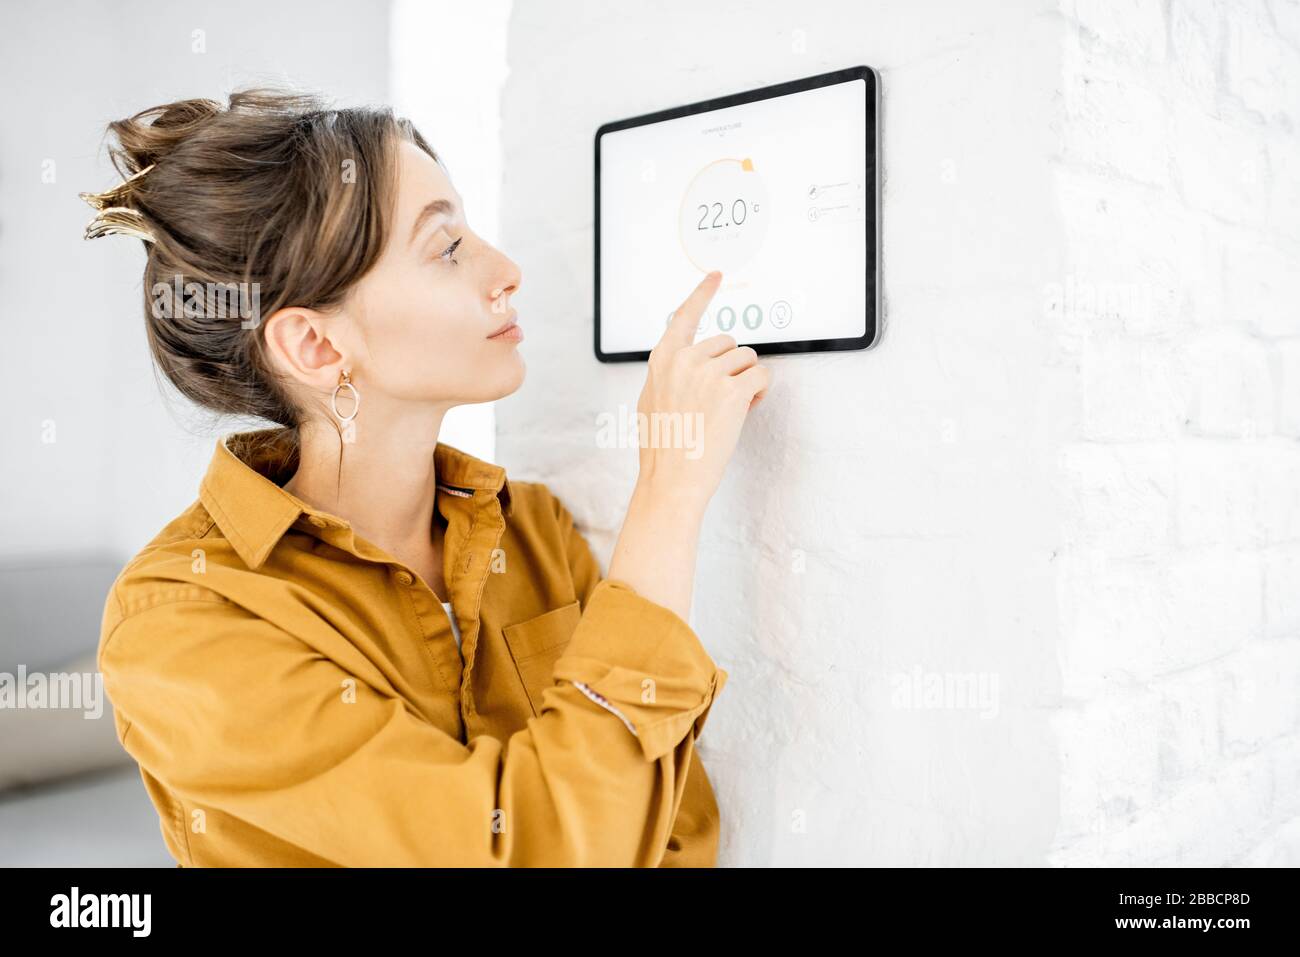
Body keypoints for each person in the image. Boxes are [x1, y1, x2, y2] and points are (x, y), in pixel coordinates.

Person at [85, 89, 771, 867]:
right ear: (314, 344)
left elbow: (676, 832)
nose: (506, 271)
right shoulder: (183, 623)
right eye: (446, 248)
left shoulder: (535, 532)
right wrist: (670, 494)